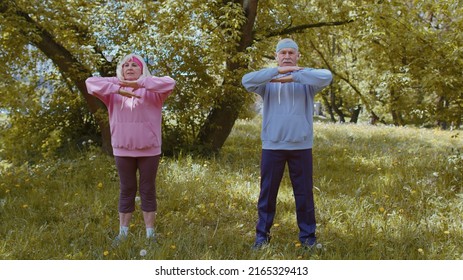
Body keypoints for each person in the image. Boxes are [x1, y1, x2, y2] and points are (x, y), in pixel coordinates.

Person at [241, 39, 332, 249]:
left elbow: (326, 76)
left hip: (301, 146)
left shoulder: (307, 83)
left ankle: (308, 239)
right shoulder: (267, 85)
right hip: (272, 146)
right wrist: (277, 73)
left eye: (291, 52)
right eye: (283, 53)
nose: (287, 55)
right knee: (267, 194)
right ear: (276, 56)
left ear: (298, 56)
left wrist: (294, 74)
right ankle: (262, 237)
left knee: (304, 195)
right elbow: (247, 81)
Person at [85, 54, 176, 245]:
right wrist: (119, 87)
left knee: (147, 189)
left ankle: (150, 235)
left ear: (142, 70)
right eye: (125, 65)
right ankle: (123, 234)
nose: (129, 67)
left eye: (134, 65)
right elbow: (90, 82)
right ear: (121, 70)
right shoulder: (112, 92)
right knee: (126, 189)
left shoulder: (153, 90)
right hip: (122, 149)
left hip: (149, 150)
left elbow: (169, 82)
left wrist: (139, 84)